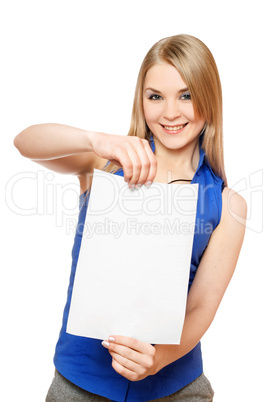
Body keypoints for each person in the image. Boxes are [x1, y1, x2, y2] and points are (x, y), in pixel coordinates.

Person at [14, 34, 247, 402]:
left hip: (175, 388)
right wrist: (94, 140)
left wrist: (157, 360)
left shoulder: (226, 203)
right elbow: (25, 142)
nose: (170, 112)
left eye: (186, 95)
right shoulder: (105, 164)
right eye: (156, 96)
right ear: (142, 100)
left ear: (209, 99)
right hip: (79, 382)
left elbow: (202, 304)